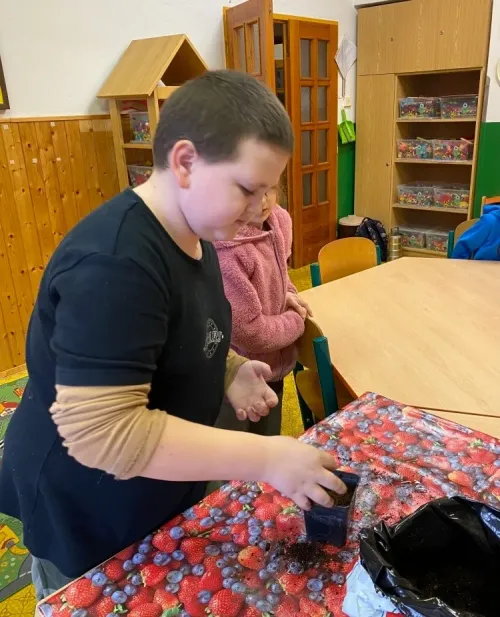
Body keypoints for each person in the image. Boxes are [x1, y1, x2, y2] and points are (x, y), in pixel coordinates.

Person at [0, 70, 345, 599]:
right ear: (185, 162)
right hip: (88, 504)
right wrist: (267, 458)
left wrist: (229, 369)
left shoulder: (198, 233)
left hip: (159, 480)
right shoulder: (115, 264)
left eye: (268, 189)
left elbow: (186, 326)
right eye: (248, 189)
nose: (263, 208)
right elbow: (104, 432)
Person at [215, 185, 311, 436]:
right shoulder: (229, 251)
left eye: (269, 189)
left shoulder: (278, 219)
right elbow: (249, 331)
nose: (263, 201)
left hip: (274, 364)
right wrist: (295, 321)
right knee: (236, 448)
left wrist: (289, 293)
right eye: (251, 192)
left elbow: (281, 273)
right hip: (237, 375)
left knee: (268, 436)